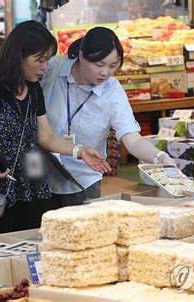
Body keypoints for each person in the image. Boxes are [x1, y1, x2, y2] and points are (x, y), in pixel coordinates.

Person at [0, 20, 110, 245]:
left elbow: (46, 137)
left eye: (47, 60)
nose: (44, 67)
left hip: (26, 187)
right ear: (18, 56)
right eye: (39, 60)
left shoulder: (33, 89)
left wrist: (79, 151)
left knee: (25, 249)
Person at [41, 27, 176, 207]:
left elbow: (132, 139)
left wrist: (159, 157)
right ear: (81, 56)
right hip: (38, 174)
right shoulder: (52, 70)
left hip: (83, 179)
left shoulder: (112, 91)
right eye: (99, 65)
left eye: (113, 66)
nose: (105, 72)